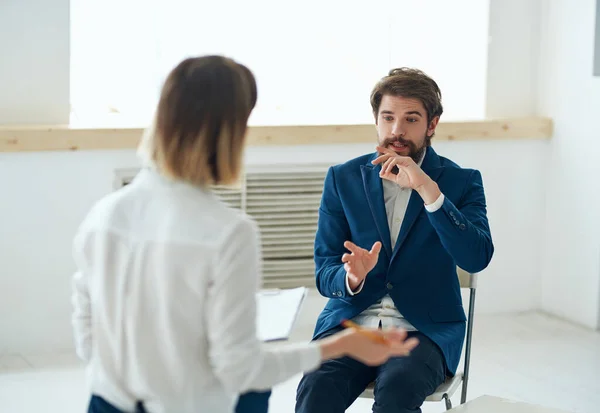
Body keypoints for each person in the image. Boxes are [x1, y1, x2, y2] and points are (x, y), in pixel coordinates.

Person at [70, 56, 419, 413]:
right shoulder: (228, 233)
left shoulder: (103, 216)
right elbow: (242, 370)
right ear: (229, 133)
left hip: (105, 402)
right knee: (255, 391)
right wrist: (341, 345)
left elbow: (87, 341)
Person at [295, 68, 494, 413]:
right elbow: (325, 271)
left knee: (398, 390)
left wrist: (428, 190)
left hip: (425, 330)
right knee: (316, 387)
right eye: (387, 118)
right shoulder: (343, 179)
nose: (397, 130)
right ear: (376, 120)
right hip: (351, 324)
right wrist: (352, 277)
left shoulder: (462, 182)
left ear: (432, 124)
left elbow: (476, 257)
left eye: (411, 119)